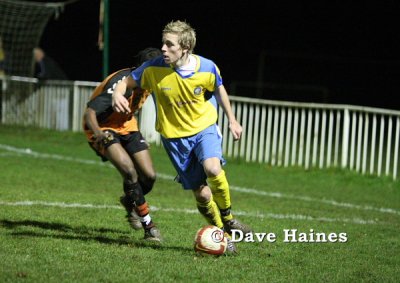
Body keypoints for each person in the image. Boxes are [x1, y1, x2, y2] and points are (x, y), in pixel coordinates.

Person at [112, 20, 252, 253]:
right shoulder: (153, 68)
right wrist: (118, 93)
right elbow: (126, 82)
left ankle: (228, 218)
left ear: (185, 48)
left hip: (204, 127)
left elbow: (219, 88)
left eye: (170, 45)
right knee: (202, 192)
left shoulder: (207, 67)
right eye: (163, 44)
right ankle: (223, 235)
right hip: (175, 139)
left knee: (213, 169)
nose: (163, 49)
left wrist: (233, 120)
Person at [83, 47, 163, 242]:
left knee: (149, 176)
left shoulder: (150, 81)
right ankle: (149, 227)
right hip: (102, 127)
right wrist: (99, 134)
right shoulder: (122, 84)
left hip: (127, 126)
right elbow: (90, 112)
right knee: (129, 171)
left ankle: (130, 201)